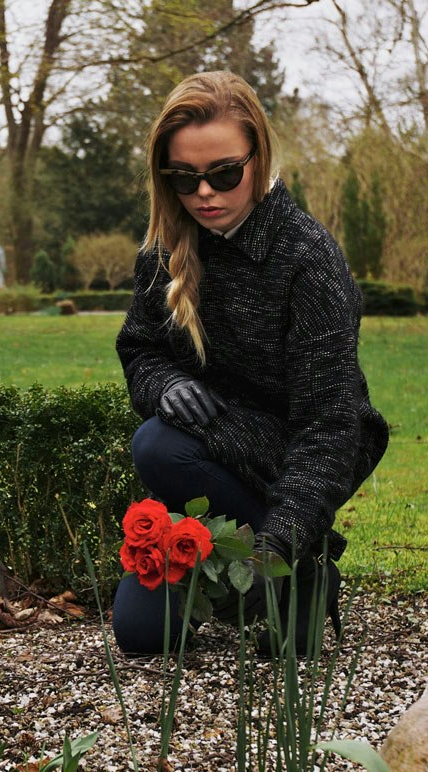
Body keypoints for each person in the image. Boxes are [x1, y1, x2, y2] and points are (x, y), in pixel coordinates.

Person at [112, 70, 388, 655]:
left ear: (258, 157)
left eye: (223, 173)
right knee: (140, 635)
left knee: (159, 447)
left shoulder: (307, 260)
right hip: (206, 462)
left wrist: (279, 543)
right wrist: (164, 385)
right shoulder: (164, 249)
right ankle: (273, 584)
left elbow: (330, 423)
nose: (205, 193)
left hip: (286, 457)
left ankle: (300, 568)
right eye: (184, 178)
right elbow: (141, 348)